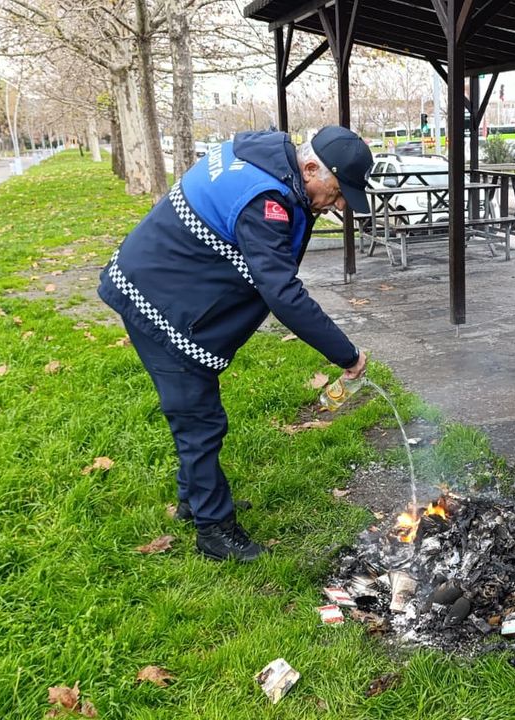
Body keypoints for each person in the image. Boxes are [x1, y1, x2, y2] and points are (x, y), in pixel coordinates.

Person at [98, 126, 373, 562]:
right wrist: (347, 353)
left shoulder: (267, 157)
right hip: (157, 297)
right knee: (199, 420)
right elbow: (281, 292)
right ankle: (214, 531)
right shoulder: (265, 200)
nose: (338, 205)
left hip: (169, 283)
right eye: (337, 193)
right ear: (309, 167)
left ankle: (193, 501)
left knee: (199, 411)